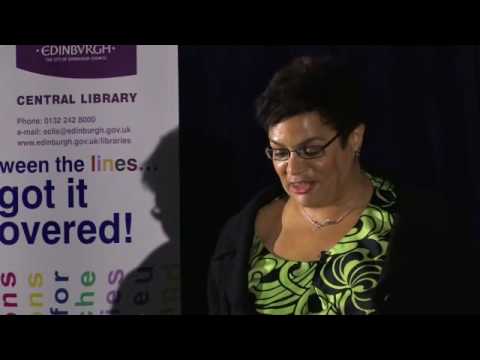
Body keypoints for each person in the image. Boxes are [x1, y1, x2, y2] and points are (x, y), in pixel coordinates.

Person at [207, 56, 475, 315]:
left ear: (355, 138)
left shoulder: (424, 227)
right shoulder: (240, 238)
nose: (293, 168)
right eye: (280, 152)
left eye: (311, 150)